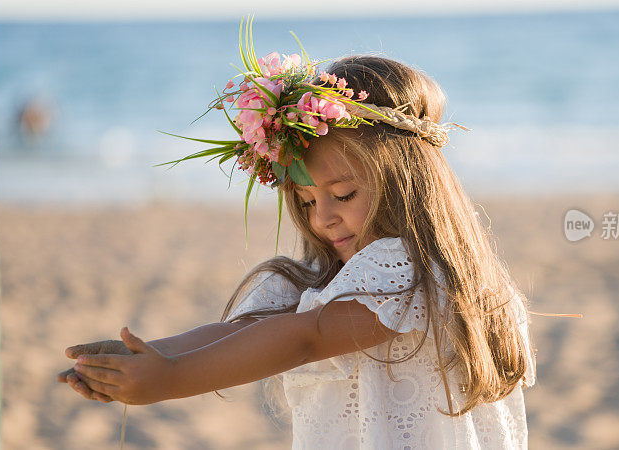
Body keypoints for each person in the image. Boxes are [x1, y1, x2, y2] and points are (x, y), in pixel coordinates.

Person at [57, 55, 537, 448]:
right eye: (306, 202)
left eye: (343, 194)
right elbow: (240, 330)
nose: (322, 218)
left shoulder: (408, 273)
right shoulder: (326, 282)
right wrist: (150, 355)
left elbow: (303, 336)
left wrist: (172, 379)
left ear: (404, 179)